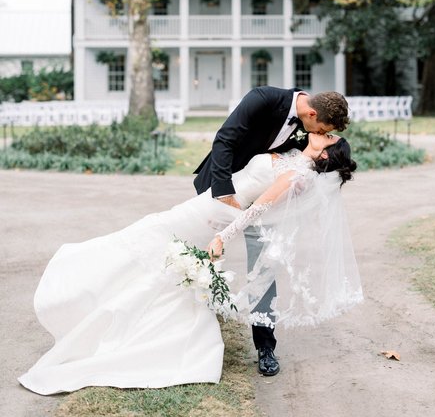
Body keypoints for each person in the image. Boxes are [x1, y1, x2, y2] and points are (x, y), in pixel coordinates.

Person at [18, 132, 362, 396]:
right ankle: (104, 303)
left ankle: (93, 296)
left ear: (326, 152)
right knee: (155, 238)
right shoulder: (292, 153)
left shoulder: (298, 176)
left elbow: (258, 208)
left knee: (156, 237)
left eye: (330, 136)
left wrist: (223, 237)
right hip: (209, 203)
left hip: (219, 215)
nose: (325, 132)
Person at [194, 85, 350, 375]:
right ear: (312, 114)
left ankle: (265, 347)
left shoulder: (311, 135)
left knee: (263, 272)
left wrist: (303, 178)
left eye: (325, 134)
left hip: (267, 204)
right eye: (322, 130)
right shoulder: (264, 99)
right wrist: (224, 193)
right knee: (197, 258)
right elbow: (225, 140)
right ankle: (196, 326)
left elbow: (304, 167)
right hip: (222, 189)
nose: (320, 134)